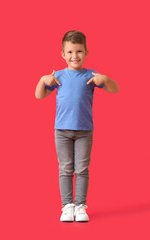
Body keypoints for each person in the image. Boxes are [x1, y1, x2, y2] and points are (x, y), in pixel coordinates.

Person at [35, 30, 119, 222]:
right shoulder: (58, 76)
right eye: (70, 52)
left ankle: (80, 206)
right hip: (62, 131)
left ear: (86, 52)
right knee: (65, 168)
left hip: (84, 132)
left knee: (82, 169)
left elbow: (115, 90)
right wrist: (42, 80)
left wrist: (105, 79)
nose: (75, 56)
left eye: (79, 51)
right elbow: (39, 96)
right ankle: (67, 206)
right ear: (63, 54)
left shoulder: (91, 75)